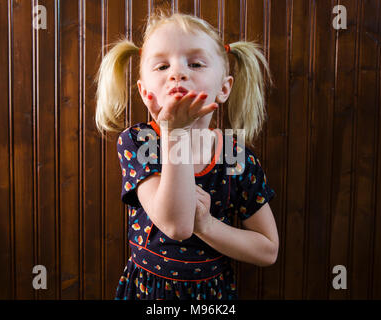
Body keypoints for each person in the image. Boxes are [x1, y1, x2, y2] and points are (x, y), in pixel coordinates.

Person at [94, 10, 279, 300]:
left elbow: (267, 250)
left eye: (195, 63)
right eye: (162, 66)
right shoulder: (140, 142)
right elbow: (177, 225)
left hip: (211, 296)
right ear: (145, 93)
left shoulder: (233, 155)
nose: (177, 73)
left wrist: (206, 225)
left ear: (224, 88)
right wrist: (175, 132)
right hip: (148, 293)